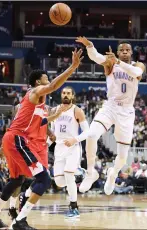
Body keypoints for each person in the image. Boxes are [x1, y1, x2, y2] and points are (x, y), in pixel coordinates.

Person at [0, 48, 83, 230]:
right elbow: (53, 86)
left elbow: (41, 121)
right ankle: (19, 221)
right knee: (44, 180)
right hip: (18, 139)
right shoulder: (35, 91)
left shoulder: (37, 103)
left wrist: (53, 119)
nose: (48, 80)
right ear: (38, 81)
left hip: (13, 139)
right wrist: (73, 67)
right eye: (46, 77)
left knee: (16, 180)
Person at [76, 36, 145, 195]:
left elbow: (137, 73)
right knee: (92, 135)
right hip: (110, 107)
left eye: (127, 50)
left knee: (122, 157)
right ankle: (91, 172)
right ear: (118, 52)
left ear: (131, 52)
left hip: (126, 112)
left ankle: (112, 174)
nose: (125, 52)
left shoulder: (137, 65)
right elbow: (96, 57)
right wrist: (90, 45)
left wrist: (119, 62)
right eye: (122, 50)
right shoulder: (110, 63)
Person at [52, 86, 89, 218]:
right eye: (64, 93)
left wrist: (75, 139)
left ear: (72, 96)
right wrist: (44, 145)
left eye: (68, 93)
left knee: (68, 175)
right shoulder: (55, 110)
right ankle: (80, 171)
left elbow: (88, 132)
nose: (66, 95)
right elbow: (52, 134)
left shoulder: (77, 111)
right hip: (59, 148)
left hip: (73, 148)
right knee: (59, 183)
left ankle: (74, 206)